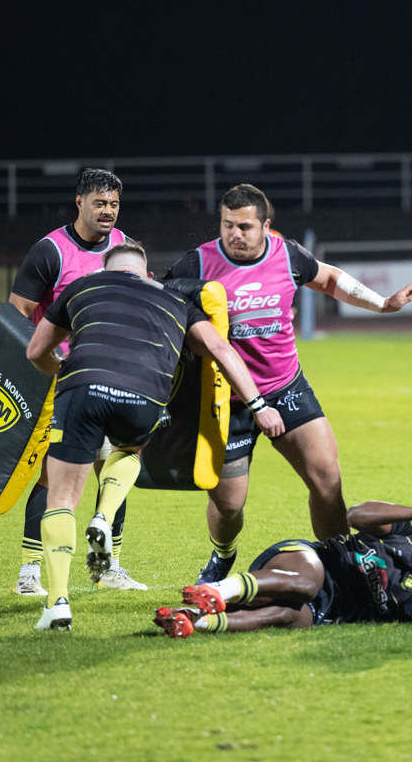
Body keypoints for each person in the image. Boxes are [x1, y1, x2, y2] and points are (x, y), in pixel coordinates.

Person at [166, 184, 412, 585]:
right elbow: (161, 309)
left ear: (265, 225)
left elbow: (330, 279)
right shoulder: (196, 263)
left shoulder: (288, 255)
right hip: (228, 400)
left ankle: (341, 566)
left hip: (285, 387)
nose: (235, 234)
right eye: (227, 225)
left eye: (244, 227)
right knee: (229, 505)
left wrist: (383, 303)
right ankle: (222, 554)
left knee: (327, 478)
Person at [25, 241, 284, 629]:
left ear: (103, 271)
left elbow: (35, 351)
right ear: (147, 274)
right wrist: (259, 405)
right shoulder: (175, 299)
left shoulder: (83, 286)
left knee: (61, 497)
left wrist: (60, 367)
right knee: (129, 450)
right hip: (145, 393)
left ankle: (57, 603)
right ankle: (104, 516)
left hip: (83, 385)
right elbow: (220, 348)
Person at [7, 168, 143, 595]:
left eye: (114, 204)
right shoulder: (50, 251)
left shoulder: (124, 247)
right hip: (61, 382)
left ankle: (110, 567)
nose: (108, 211)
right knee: (54, 476)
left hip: (110, 376)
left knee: (114, 469)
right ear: (80, 202)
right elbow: (16, 315)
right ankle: (29, 573)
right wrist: (43, 367)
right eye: (100, 203)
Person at [153, 501, 412, 636]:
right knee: (306, 583)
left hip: (328, 610)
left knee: (284, 616)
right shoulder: (404, 534)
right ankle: (215, 590)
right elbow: (355, 515)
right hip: (310, 561)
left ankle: (193, 620)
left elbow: (410, 615)